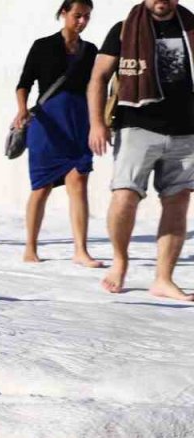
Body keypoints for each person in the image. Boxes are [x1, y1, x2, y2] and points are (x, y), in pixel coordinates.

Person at [88, 0, 194, 301]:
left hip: (187, 129)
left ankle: (164, 278)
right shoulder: (124, 30)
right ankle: (120, 262)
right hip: (137, 125)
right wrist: (96, 123)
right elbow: (98, 78)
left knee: (178, 201)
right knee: (124, 196)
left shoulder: (191, 27)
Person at [15, 1, 103, 267]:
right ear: (64, 13)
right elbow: (24, 83)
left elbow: (96, 87)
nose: (82, 22)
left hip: (79, 122)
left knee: (79, 183)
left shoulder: (90, 51)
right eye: (77, 16)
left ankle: (81, 250)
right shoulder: (43, 45)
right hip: (47, 123)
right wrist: (21, 110)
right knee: (41, 186)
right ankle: (30, 247)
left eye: (87, 17)